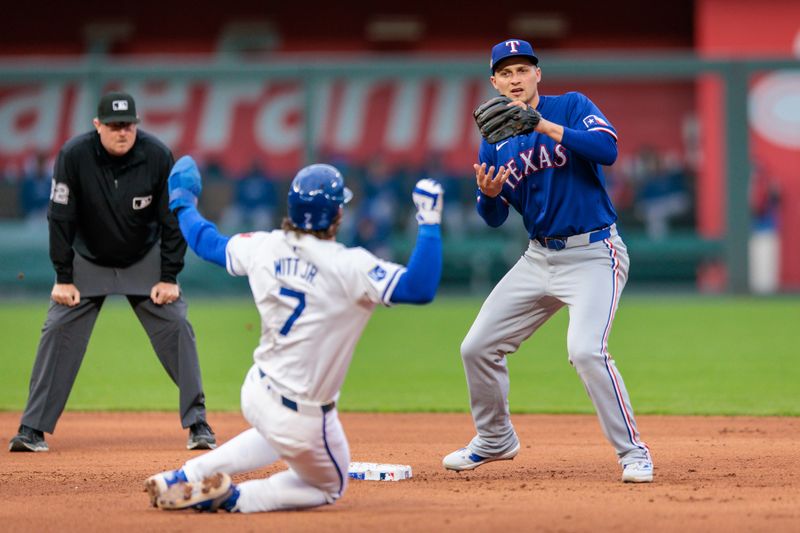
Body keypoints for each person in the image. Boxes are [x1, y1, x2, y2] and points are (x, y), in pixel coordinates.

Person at [144, 157, 443, 513]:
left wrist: (182, 201)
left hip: (257, 391)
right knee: (330, 485)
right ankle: (237, 499)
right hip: (304, 415)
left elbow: (205, 241)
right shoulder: (351, 266)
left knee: (275, 437)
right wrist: (428, 222)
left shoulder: (264, 246)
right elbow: (419, 287)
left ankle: (185, 476)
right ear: (337, 216)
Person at [442, 39, 653, 483]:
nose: (515, 79)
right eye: (506, 72)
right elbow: (494, 217)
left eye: (523, 70)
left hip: (595, 253)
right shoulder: (494, 139)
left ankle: (633, 453)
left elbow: (607, 150)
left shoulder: (572, 106)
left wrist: (544, 126)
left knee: (586, 352)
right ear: (494, 82)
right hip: (539, 258)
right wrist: (490, 195)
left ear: (538, 74)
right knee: (476, 347)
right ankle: (495, 439)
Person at [8, 92, 215, 453]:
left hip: (144, 259)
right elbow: (60, 218)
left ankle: (198, 424)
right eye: (115, 125)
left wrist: (170, 276)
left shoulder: (156, 155)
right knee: (57, 329)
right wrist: (62, 276)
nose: (123, 132)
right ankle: (32, 428)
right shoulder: (74, 156)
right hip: (88, 259)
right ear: (98, 125)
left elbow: (171, 220)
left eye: (129, 125)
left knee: (178, 326)